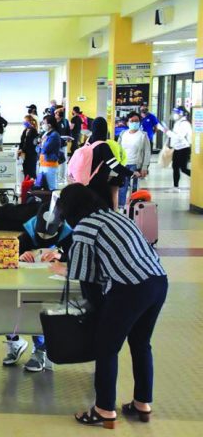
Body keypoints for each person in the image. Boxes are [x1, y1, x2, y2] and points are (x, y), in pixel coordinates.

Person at [50, 184, 167, 429]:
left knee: (106, 348)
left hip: (130, 289)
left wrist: (62, 269)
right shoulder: (115, 216)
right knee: (141, 343)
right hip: (158, 281)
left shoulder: (85, 227)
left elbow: (86, 276)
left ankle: (104, 409)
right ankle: (142, 403)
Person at [4, 202, 73, 372]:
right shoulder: (28, 231)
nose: (43, 238)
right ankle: (14, 342)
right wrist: (21, 255)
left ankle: (41, 348)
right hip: (25, 281)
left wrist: (61, 255)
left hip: (52, 284)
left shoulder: (69, 233)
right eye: (40, 234)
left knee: (41, 312)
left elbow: (76, 256)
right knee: (7, 305)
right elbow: (9, 254)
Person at [85, 117, 137, 209]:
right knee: (107, 205)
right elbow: (115, 165)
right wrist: (131, 173)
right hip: (99, 182)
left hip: (87, 181)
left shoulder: (88, 143)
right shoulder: (103, 145)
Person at [117, 112, 151, 209]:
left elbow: (147, 152)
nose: (134, 123)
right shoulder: (123, 134)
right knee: (122, 187)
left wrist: (144, 167)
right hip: (123, 165)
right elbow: (118, 149)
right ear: (127, 122)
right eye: (132, 121)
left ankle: (133, 208)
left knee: (134, 188)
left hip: (135, 165)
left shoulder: (143, 135)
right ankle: (121, 207)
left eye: (137, 121)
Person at [164, 106, 192, 192]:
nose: (174, 115)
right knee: (175, 167)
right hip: (177, 148)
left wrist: (167, 132)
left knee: (183, 168)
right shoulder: (178, 123)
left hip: (184, 149)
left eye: (176, 113)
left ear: (181, 114)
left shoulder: (185, 123)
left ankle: (198, 178)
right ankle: (175, 187)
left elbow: (179, 136)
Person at [36, 115, 62, 190]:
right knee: (44, 186)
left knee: (51, 188)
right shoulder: (46, 133)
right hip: (43, 163)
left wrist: (40, 146)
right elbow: (38, 147)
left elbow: (44, 150)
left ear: (50, 125)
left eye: (44, 123)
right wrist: (40, 146)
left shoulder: (54, 135)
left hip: (50, 164)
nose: (42, 125)